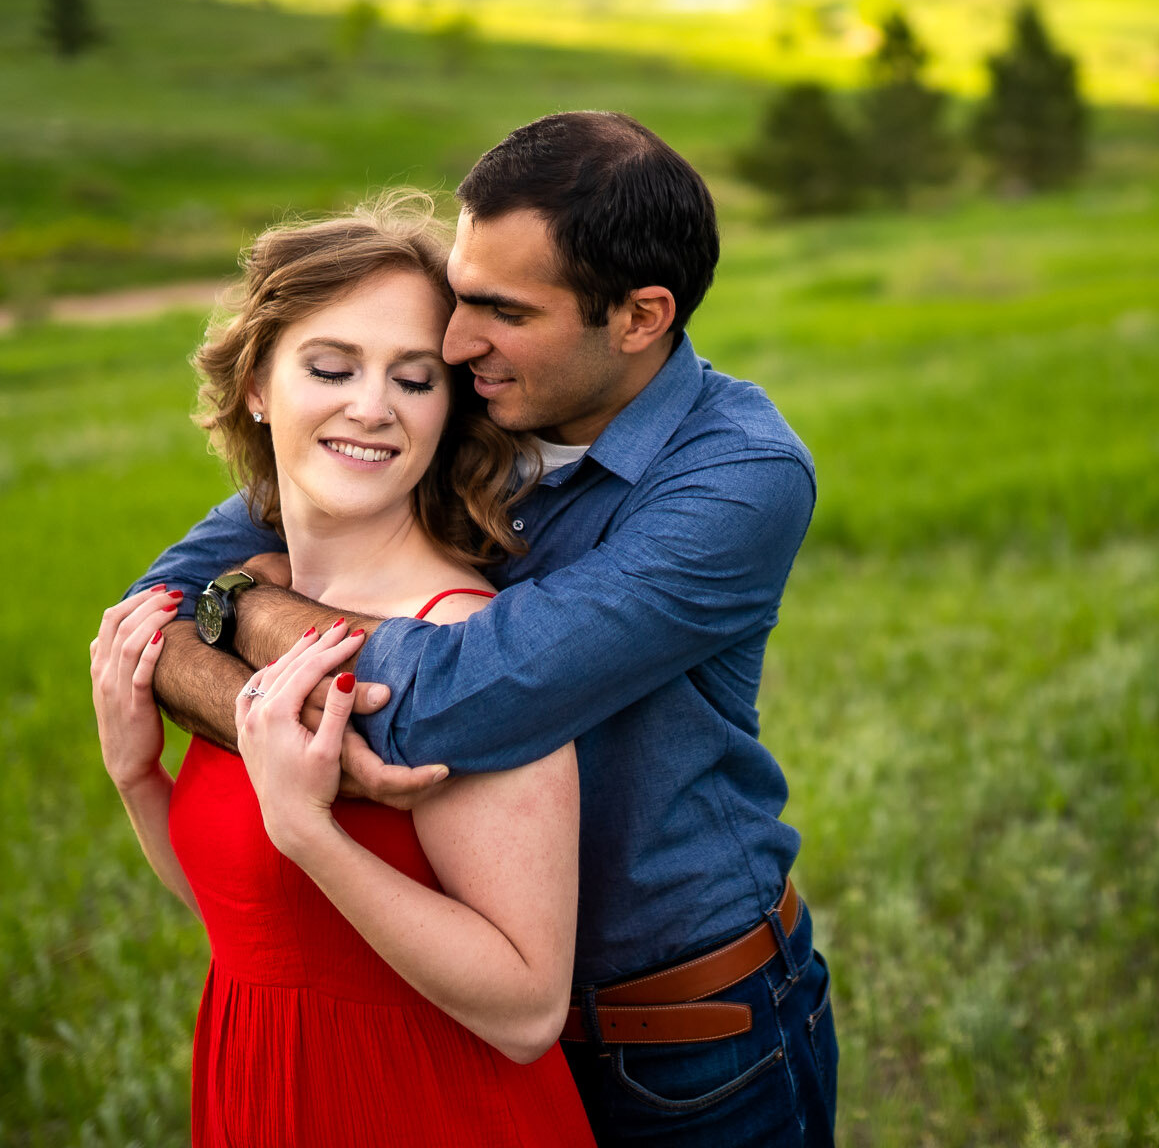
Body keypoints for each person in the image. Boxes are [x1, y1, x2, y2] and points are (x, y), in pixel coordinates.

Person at [130, 112, 835, 1146]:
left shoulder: (736, 475)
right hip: (454, 1022)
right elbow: (155, 615)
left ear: (640, 316)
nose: (453, 344)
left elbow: (464, 692)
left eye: (501, 310)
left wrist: (252, 610)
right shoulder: (446, 402)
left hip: (690, 1042)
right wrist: (254, 684)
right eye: (459, 295)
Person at [91, 191, 594, 1146]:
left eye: (414, 380)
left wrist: (312, 833)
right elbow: (248, 926)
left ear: (447, 412)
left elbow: (528, 1010)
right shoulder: (236, 612)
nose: (372, 406)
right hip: (260, 1090)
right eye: (331, 367)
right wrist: (136, 775)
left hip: (429, 1109)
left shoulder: (463, 647)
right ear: (256, 384)